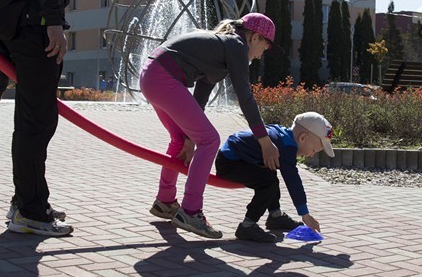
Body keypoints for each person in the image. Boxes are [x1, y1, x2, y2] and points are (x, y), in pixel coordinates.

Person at [2, 0, 101, 237]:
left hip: (23, 22)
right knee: (38, 120)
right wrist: (52, 21)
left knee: (30, 119)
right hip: (35, 28)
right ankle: (30, 211)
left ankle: (29, 201)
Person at [140, 13, 280, 239]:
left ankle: (165, 201)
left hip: (151, 74)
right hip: (163, 77)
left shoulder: (220, 48)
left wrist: (188, 138)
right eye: (265, 46)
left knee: (180, 140)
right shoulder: (236, 45)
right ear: (255, 37)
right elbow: (245, 96)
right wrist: (264, 141)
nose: (263, 54)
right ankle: (191, 211)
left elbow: (201, 95)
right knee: (210, 140)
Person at [215, 112, 335, 243]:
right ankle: (247, 226)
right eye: (314, 150)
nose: (311, 155)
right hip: (230, 164)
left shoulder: (283, 136)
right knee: (268, 184)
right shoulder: (287, 147)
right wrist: (304, 214)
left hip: (232, 159)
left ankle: (275, 216)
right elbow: (293, 182)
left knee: (270, 176)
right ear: (303, 137)